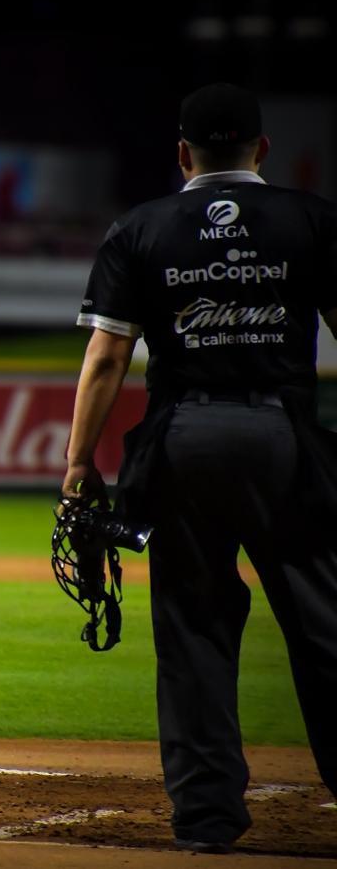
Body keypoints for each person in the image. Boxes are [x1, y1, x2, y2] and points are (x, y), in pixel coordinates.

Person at [62, 83, 337, 854]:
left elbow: (109, 353)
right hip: (284, 438)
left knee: (193, 632)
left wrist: (78, 462)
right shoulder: (312, 221)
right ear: (263, 149)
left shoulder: (141, 227)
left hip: (182, 441)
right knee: (326, 631)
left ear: (182, 154)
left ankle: (208, 820)